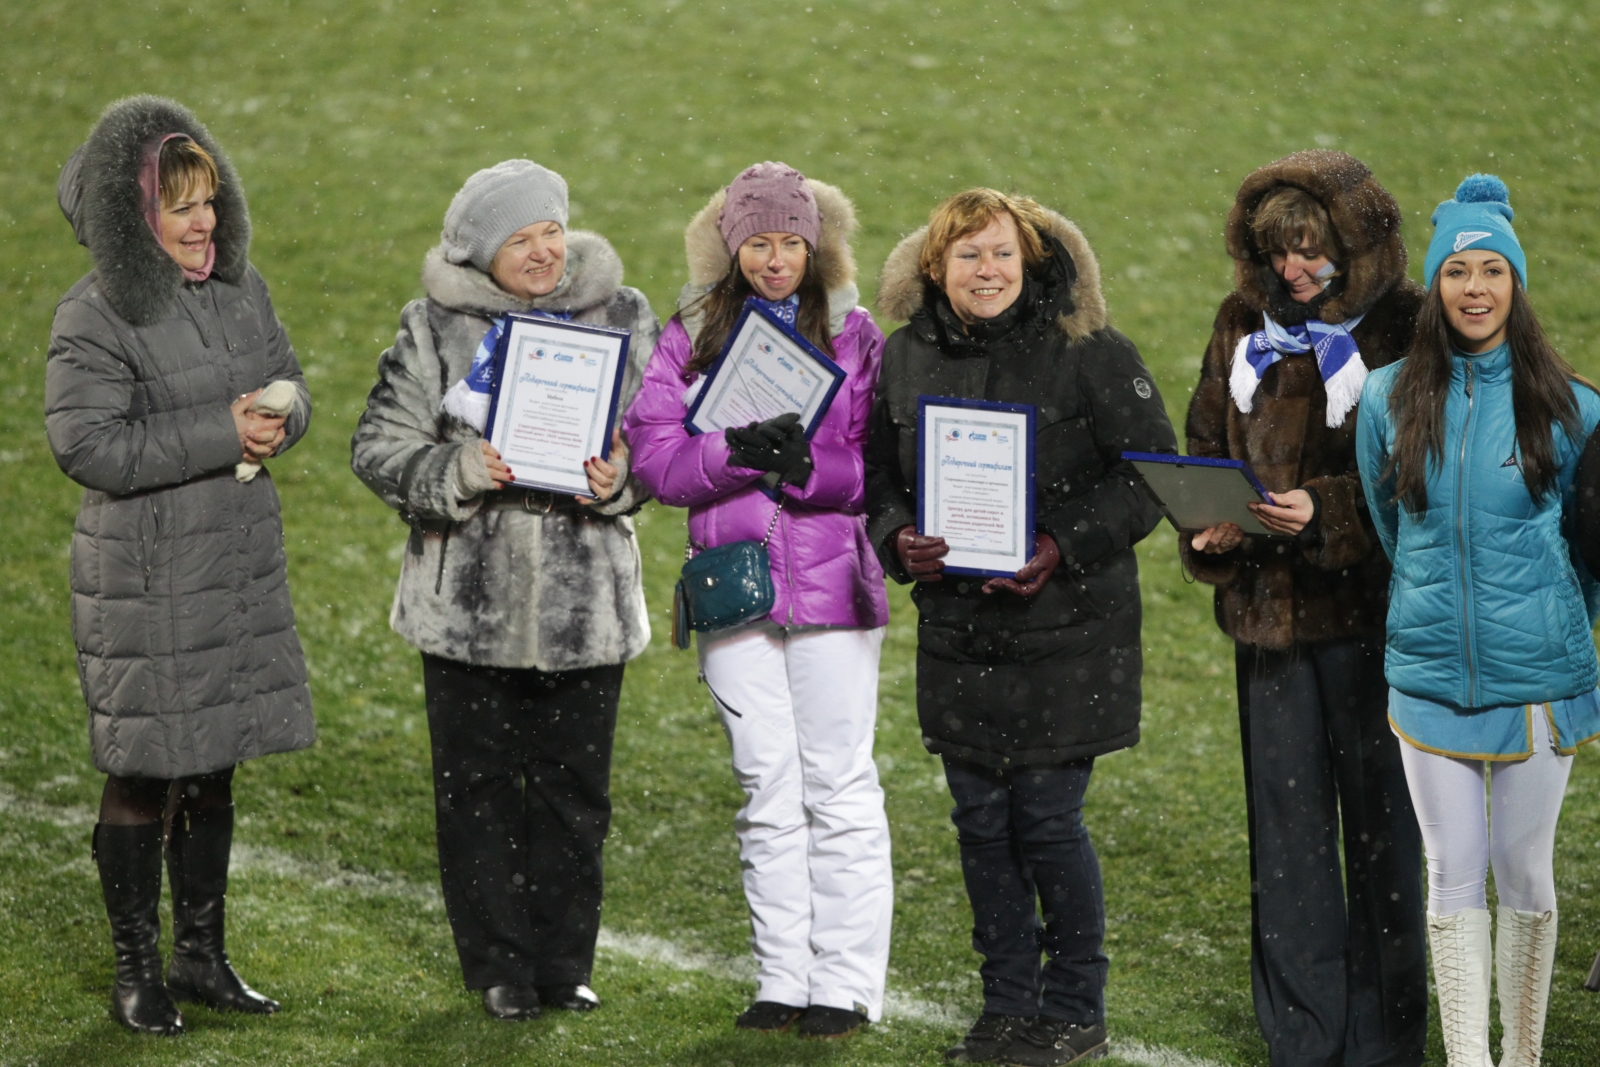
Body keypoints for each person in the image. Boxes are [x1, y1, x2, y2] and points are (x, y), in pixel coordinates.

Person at [865, 189, 1176, 1066]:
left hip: (1069, 632)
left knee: (1043, 819)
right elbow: (879, 478)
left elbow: (1151, 475)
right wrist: (900, 540)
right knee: (979, 820)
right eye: (966, 256)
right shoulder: (903, 358)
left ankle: (1077, 1004)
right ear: (935, 268)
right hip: (960, 633)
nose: (987, 271)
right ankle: (1006, 1005)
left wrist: (1058, 544)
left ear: (1032, 261)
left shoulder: (1092, 352)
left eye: (1001, 253)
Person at [350, 160, 659, 1021]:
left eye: (551, 231)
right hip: (466, 608)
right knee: (476, 788)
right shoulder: (431, 327)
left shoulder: (625, 316)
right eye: (521, 238)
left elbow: (659, 445)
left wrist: (622, 478)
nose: (542, 251)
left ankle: (565, 965)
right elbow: (378, 445)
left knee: (575, 791)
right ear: (483, 251)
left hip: (583, 604)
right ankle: (497, 966)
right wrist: (455, 466)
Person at [46, 95, 314, 1036]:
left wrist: (286, 412)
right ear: (137, 218)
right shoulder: (94, 315)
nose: (203, 224)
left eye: (208, 203)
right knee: (145, 770)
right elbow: (87, 446)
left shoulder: (241, 289)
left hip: (229, 564)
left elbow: (290, 374)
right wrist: (222, 431)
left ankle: (201, 955)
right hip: (146, 577)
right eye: (180, 208)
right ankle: (136, 972)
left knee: (213, 765)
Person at [624, 162, 891, 1039]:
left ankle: (845, 985)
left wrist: (805, 466)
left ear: (815, 245)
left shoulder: (856, 337)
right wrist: (738, 453)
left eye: (790, 242)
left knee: (839, 785)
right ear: (732, 246)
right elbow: (656, 463)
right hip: (734, 584)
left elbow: (878, 471)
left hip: (832, 584)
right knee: (765, 784)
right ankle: (783, 976)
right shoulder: (689, 335)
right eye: (758, 243)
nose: (775, 260)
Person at [1180, 151, 1430, 1067]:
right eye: (1277, 252)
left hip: (1372, 626)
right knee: (1284, 845)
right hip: (1269, 625)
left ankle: (1384, 1037)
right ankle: (1302, 1035)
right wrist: (1216, 524)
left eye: (1311, 251)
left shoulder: (1409, 327)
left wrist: (1323, 511)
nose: (1292, 271)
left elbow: (1425, 480)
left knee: (1382, 841)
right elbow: (1207, 436)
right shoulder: (1242, 322)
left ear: (1356, 244)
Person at [1356, 174, 1600, 1067]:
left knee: (1524, 875)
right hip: (1425, 676)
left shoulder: (1573, 405)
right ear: (1438, 282)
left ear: (1516, 284)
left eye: (1493, 270)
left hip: (1538, 677)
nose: (1475, 288)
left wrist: (1544, 624)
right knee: (1451, 872)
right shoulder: (1387, 399)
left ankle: (1522, 1058)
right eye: (1458, 270)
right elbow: (1395, 526)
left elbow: (1588, 550)